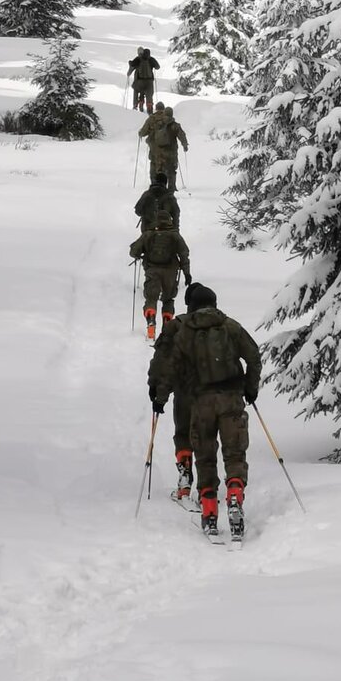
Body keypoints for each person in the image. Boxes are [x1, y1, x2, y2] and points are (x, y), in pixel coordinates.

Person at [149, 283, 261, 541]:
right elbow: (253, 356)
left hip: (199, 402)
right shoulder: (230, 325)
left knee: (206, 457)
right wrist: (250, 388)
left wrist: (160, 396)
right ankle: (234, 495)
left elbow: (169, 366)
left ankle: (209, 511)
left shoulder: (184, 331)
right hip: (232, 399)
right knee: (235, 455)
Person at [147, 281, 204, 504]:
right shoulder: (220, 325)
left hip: (184, 389)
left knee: (183, 432)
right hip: (212, 390)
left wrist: (156, 387)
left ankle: (184, 479)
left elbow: (162, 358)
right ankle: (207, 487)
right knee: (206, 436)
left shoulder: (177, 326)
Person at [129, 210, 191, 342]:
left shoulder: (148, 234)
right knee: (168, 299)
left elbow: (133, 252)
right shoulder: (175, 235)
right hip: (171, 271)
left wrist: (139, 255)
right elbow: (184, 254)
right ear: (169, 220)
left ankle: (151, 321)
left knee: (151, 298)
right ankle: (167, 325)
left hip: (152, 270)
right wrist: (187, 273)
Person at [154, 106, 188, 193]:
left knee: (160, 170)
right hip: (172, 152)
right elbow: (182, 135)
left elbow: (153, 135)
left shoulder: (159, 124)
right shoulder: (175, 125)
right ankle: (171, 190)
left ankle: (160, 189)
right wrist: (184, 145)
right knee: (171, 171)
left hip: (160, 152)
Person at [138, 101, 170, 180]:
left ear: (156, 108)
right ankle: (163, 182)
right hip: (166, 145)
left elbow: (144, 131)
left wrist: (140, 133)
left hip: (154, 145)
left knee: (153, 162)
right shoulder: (168, 118)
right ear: (164, 108)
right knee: (164, 163)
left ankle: (153, 181)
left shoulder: (151, 118)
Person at [127, 47, 160, 113]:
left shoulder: (138, 59)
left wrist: (130, 65)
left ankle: (136, 106)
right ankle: (149, 108)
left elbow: (132, 65)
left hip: (139, 81)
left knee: (136, 90)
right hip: (149, 81)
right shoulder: (151, 59)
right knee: (149, 95)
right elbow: (158, 67)